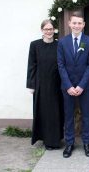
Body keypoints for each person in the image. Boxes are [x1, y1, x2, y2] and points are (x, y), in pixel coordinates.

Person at [57, 11, 89, 158]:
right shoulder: (62, 42)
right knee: (68, 116)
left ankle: (86, 143)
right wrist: (68, 86)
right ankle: (69, 143)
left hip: (85, 86)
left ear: (84, 25)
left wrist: (81, 86)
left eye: (79, 23)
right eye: (74, 23)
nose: (77, 25)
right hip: (67, 87)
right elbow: (61, 65)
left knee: (86, 116)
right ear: (69, 24)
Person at [26, 19, 64, 150]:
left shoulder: (59, 45)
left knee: (55, 112)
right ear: (42, 30)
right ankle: (45, 139)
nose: (49, 31)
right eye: (46, 29)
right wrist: (31, 85)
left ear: (54, 30)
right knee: (43, 113)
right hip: (41, 85)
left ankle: (55, 140)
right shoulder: (35, 45)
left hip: (56, 85)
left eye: (51, 29)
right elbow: (32, 65)